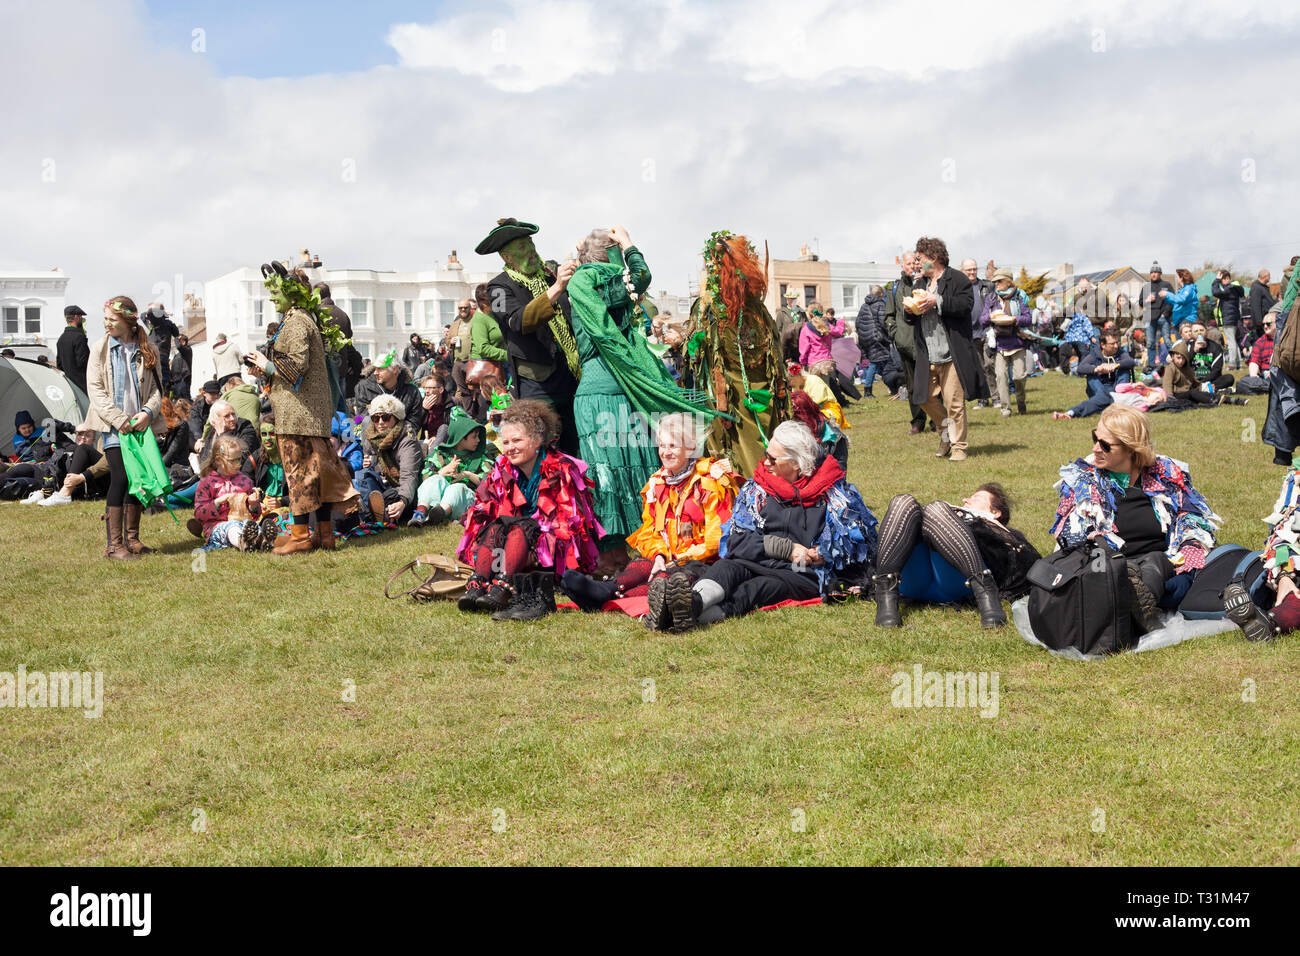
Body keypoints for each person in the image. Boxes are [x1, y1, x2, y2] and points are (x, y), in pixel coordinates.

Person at [566, 225, 722, 541]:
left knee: (606, 470)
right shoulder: (610, 290)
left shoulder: (583, 292)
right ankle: (648, 534)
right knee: (632, 462)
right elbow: (641, 276)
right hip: (616, 392)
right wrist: (628, 243)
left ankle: (613, 548)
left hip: (596, 394)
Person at [658, 420, 877, 629]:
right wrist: (783, 548)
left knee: (755, 590)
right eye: (766, 454)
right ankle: (692, 602)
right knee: (725, 568)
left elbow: (857, 546)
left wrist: (824, 553)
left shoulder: (832, 494)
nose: (766, 462)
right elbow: (736, 540)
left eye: (773, 459)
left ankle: (677, 616)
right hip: (756, 560)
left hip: (799, 573)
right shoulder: (757, 489)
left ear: (796, 463)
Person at [1050, 404, 1219, 633]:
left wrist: (1190, 550)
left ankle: (1137, 601)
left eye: (1105, 444)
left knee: (1201, 567)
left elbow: (1191, 518)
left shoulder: (1166, 474)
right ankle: (1137, 600)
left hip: (1167, 567)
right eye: (1095, 438)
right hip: (1111, 569)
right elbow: (1075, 539)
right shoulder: (1083, 481)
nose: (1095, 448)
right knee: (1105, 576)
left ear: (1131, 448)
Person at [560, 413, 741, 622]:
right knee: (644, 564)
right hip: (669, 557)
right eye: (662, 446)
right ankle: (608, 588)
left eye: (672, 446)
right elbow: (650, 530)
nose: (665, 452)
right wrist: (659, 556)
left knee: (670, 579)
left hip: (703, 562)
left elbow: (716, 538)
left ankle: (609, 598)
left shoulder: (711, 480)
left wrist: (677, 559)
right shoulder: (657, 482)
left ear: (690, 448)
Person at [243, 261, 359, 554]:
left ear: (292, 296)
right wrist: (267, 371)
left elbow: (295, 368)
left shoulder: (296, 322)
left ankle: (300, 537)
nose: (272, 299)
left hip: (298, 416)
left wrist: (264, 363)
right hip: (308, 414)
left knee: (299, 476)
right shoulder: (304, 319)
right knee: (314, 476)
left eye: (277, 294)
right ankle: (323, 536)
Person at [456, 399, 603, 621]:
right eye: (505, 442)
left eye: (517, 440)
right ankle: (478, 585)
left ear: (536, 440)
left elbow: (568, 525)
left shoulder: (561, 469)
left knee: (520, 527)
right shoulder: (501, 469)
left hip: (550, 550)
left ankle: (503, 587)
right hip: (510, 546)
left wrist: (528, 528)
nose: (510, 448)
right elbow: (490, 510)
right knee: (497, 527)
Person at [687, 230, 791, 476]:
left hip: (739, 399)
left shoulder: (712, 308)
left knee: (746, 450)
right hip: (746, 396)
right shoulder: (755, 307)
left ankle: (753, 490)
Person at [872, 482, 1040, 629]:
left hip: (957, 581)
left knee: (936, 508)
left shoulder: (1004, 532)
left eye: (977, 498)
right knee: (903, 502)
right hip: (911, 579)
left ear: (995, 512)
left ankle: (986, 593)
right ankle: (886, 596)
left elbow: (1026, 561)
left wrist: (989, 525)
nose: (966, 500)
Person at [479, 218, 581, 456]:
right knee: (541, 449)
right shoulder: (497, 288)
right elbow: (518, 321)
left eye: (531, 244)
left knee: (574, 448)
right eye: (523, 248)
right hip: (537, 385)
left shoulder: (548, 274)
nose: (532, 251)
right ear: (507, 257)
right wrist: (556, 289)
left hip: (570, 376)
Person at [82, 295, 164, 559]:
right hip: (114, 426)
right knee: (121, 476)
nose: (107, 324)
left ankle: (132, 539)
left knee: (137, 479)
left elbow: (158, 390)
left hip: (139, 425)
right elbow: (95, 390)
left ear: (128, 321)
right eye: (105, 319)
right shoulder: (100, 349)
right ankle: (113, 544)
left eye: (112, 320)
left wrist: (147, 413)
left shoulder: (148, 349)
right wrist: (119, 420)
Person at [904, 236, 985, 461]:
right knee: (923, 397)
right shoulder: (919, 283)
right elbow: (911, 318)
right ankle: (945, 433)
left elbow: (965, 305)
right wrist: (910, 311)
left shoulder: (957, 279)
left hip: (952, 353)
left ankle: (958, 447)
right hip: (927, 352)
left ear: (935, 257)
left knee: (954, 402)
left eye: (921, 259)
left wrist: (936, 301)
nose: (918, 263)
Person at [409, 406, 493, 527]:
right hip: (437, 500)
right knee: (435, 479)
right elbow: (425, 479)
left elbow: (489, 482)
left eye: (478, 436)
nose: (478, 440)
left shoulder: (480, 457)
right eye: (474, 437)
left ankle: (439, 515)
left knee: (457, 488)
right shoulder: (440, 454)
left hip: (465, 501)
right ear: (460, 438)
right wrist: (443, 472)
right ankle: (420, 513)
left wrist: (467, 475)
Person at [354, 393, 424, 526]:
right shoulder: (371, 436)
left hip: (403, 491)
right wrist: (368, 465)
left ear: (396, 418)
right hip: (382, 486)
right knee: (361, 476)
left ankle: (372, 515)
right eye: (375, 418)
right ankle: (373, 513)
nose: (380, 422)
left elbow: (409, 476)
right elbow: (372, 471)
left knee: (389, 495)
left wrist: (402, 501)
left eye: (385, 418)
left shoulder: (407, 440)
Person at [194, 434, 268, 551]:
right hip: (217, 527)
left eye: (239, 459)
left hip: (243, 522)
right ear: (218, 461)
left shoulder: (245, 481)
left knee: (252, 526)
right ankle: (243, 542)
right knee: (232, 528)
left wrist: (254, 505)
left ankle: (262, 541)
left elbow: (255, 514)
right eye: (233, 461)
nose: (238, 464)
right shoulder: (207, 483)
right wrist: (218, 502)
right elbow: (199, 514)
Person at [977, 268, 1033, 416]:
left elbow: (1028, 318)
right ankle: (1006, 409)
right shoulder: (991, 298)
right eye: (994, 281)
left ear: (1008, 281)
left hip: (1017, 342)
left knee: (1019, 377)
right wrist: (992, 316)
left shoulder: (1020, 296)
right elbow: (982, 320)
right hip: (999, 343)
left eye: (999, 281)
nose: (996, 284)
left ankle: (1021, 402)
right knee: (1001, 376)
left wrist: (1015, 319)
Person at [885, 250, 928, 434]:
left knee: (932, 383)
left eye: (915, 263)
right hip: (904, 343)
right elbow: (889, 316)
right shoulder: (895, 287)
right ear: (903, 265)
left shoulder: (926, 282)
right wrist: (896, 334)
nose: (912, 266)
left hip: (926, 342)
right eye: (909, 263)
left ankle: (937, 420)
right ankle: (917, 421)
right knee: (912, 386)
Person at [1052, 330, 1136, 420]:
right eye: (1112, 344)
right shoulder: (1095, 354)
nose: (1116, 346)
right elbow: (1080, 368)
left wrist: (1114, 365)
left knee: (1124, 369)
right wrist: (1097, 369)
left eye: (1117, 343)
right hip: (1100, 389)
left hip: (1116, 389)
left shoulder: (1121, 353)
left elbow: (1130, 361)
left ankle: (1117, 399)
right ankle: (1106, 402)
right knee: (1092, 375)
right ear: (1103, 345)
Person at [34, 425, 111, 506]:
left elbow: (108, 462)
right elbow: (51, 425)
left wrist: (84, 476)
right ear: (76, 435)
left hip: (103, 478)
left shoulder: (87, 450)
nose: (83, 437)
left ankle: (63, 493)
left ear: (94, 439)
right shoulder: (69, 445)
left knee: (81, 449)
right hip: (58, 478)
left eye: (87, 435)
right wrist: (73, 428)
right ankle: (43, 492)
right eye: (80, 434)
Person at [353, 350, 423, 437]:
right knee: (366, 421)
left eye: (380, 369)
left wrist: (394, 434)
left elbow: (414, 422)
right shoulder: (363, 387)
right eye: (375, 368)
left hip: (400, 438)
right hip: (372, 436)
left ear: (394, 369)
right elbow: (362, 416)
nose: (375, 372)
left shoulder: (412, 392)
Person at [1162, 340, 1247, 407]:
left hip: (1188, 393)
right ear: (1172, 356)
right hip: (1176, 396)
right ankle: (1212, 401)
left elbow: (1195, 382)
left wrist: (1204, 388)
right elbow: (1167, 384)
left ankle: (1233, 400)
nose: (1180, 361)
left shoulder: (1187, 368)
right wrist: (1170, 400)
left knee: (1201, 393)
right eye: (1178, 358)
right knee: (1193, 393)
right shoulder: (1170, 368)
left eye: (1183, 358)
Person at [196, 399, 258, 476]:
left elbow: (239, 458)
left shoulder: (245, 427)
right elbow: (204, 460)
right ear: (215, 420)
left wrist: (223, 435)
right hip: (212, 477)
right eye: (227, 416)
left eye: (233, 414)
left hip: (238, 476)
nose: (232, 418)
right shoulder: (213, 432)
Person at [790, 389, 848, 470]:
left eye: (796, 417)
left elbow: (839, 471)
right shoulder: (786, 432)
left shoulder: (833, 435)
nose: (793, 421)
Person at [854, 284, 892, 397]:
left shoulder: (863, 306)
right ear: (881, 294)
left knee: (880, 362)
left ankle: (892, 385)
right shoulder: (881, 304)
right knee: (876, 363)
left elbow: (857, 323)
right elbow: (883, 322)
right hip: (877, 338)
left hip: (866, 338)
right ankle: (868, 390)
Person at [1140, 262, 1175, 372]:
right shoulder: (1146, 287)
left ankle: (1175, 363)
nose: (1154, 274)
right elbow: (1140, 303)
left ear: (1160, 274)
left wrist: (1166, 313)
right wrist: (1147, 300)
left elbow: (1172, 300)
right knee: (1150, 343)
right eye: (1152, 272)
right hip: (1150, 318)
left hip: (1163, 317)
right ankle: (1151, 366)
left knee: (1167, 341)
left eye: (1156, 272)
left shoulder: (1167, 285)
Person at [1187, 321, 1236, 393]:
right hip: (1193, 380)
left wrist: (1203, 382)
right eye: (1196, 331)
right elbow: (1184, 364)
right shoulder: (1188, 346)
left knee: (1229, 378)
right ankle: (1211, 390)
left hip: (1210, 380)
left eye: (1201, 330)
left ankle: (1203, 389)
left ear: (1206, 331)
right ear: (1191, 334)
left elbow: (1216, 370)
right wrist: (1194, 351)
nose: (1199, 333)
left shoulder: (1216, 347)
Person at [467, 283, 509, 367]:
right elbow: (483, 349)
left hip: (499, 361)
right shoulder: (479, 319)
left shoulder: (493, 313)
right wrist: (508, 355)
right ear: (482, 302)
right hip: (485, 365)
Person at [141, 303, 179, 396]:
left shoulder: (156, 321)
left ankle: (162, 391)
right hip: (158, 354)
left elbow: (143, 315)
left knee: (158, 377)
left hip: (157, 354)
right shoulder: (164, 323)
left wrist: (159, 312)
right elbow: (176, 332)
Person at [1211, 270, 1246, 370]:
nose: (1221, 283)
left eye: (1222, 280)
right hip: (1233, 317)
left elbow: (1215, 292)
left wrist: (1216, 280)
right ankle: (1238, 363)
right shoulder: (1235, 288)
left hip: (1228, 317)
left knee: (1230, 342)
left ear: (1227, 279)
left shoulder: (1229, 288)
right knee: (1233, 341)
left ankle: (1232, 364)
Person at [1236, 312, 1276, 394]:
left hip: (1279, 375)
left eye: (1268, 324)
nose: (1265, 327)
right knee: (1243, 382)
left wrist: (1274, 372)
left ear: (1277, 323)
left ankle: (1264, 388)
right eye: (1263, 324)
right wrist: (1253, 377)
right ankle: (1267, 387)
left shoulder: (1285, 340)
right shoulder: (1260, 342)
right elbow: (1254, 361)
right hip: (1264, 377)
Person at [55, 305, 91, 395]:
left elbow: (59, 365)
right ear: (76, 317)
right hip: (82, 386)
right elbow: (84, 363)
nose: (81, 320)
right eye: (80, 317)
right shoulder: (79, 337)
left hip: (69, 386)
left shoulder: (61, 339)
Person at [1058, 302, 1098, 373]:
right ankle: (1082, 370)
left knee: (1076, 354)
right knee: (1084, 354)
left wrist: (1068, 339)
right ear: (1082, 311)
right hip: (1080, 340)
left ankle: (1073, 370)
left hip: (1072, 340)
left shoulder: (1073, 319)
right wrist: (1091, 336)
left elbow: (1069, 329)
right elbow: (1087, 327)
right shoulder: (1084, 318)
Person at [775, 286, 805, 363]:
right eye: (789, 298)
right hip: (787, 347)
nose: (790, 300)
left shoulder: (802, 312)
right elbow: (778, 331)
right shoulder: (781, 313)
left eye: (793, 298)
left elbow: (805, 328)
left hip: (800, 346)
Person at [171, 333, 193, 400]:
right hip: (176, 382)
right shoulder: (177, 355)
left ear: (183, 342)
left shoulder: (188, 350)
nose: (177, 343)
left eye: (179, 341)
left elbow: (179, 347)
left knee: (185, 401)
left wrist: (176, 337)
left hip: (183, 380)